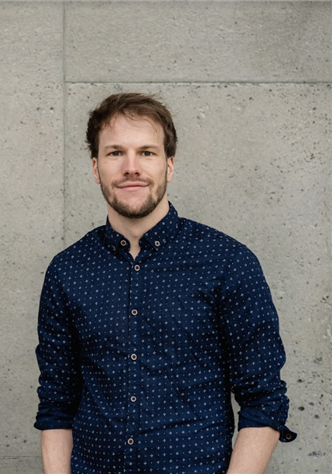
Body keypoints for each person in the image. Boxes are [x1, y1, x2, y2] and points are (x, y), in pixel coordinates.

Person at [34, 93, 295, 474]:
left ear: (169, 166)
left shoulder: (227, 262)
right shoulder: (68, 271)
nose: (131, 167)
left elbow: (264, 400)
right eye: (115, 153)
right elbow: (57, 405)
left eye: (147, 153)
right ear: (95, 168)